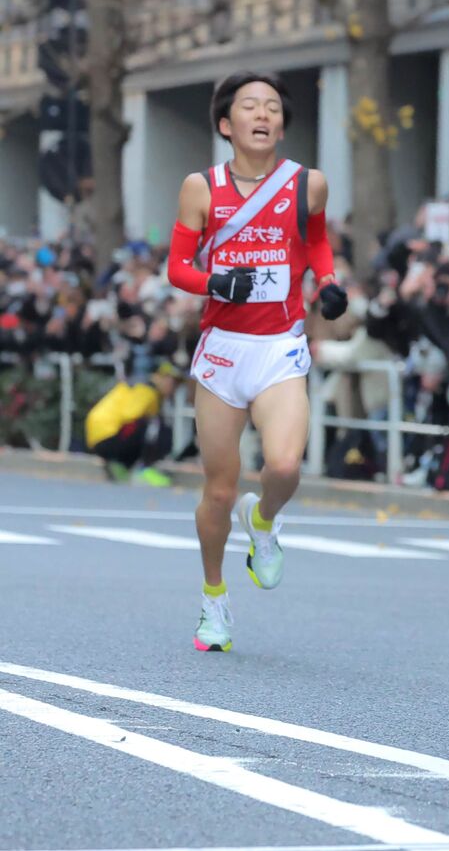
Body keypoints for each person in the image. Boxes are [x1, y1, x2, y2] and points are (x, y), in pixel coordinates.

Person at [166, 71, 348, 653]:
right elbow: (177, 267)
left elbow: (316, 240)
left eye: (272, 106)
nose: (263, 114)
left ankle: (265, 520)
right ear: (227, 125)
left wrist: (329, 280)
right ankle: (213, 600)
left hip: (280, 346)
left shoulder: (307, 184)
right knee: (219, 492)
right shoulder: (201, 187)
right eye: (249, 106)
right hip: (222, 352)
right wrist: (216, 280)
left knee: (286, 464)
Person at [86, 360, 185, 486]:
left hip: (98, 437)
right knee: (156, 426)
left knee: (153, 425)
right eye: (173, 382)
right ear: (160, 377)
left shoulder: (139, 384)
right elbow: (130, 416)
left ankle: (120, 465)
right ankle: (144, 469)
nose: (174, 389)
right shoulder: (147, 390)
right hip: (107, 437)